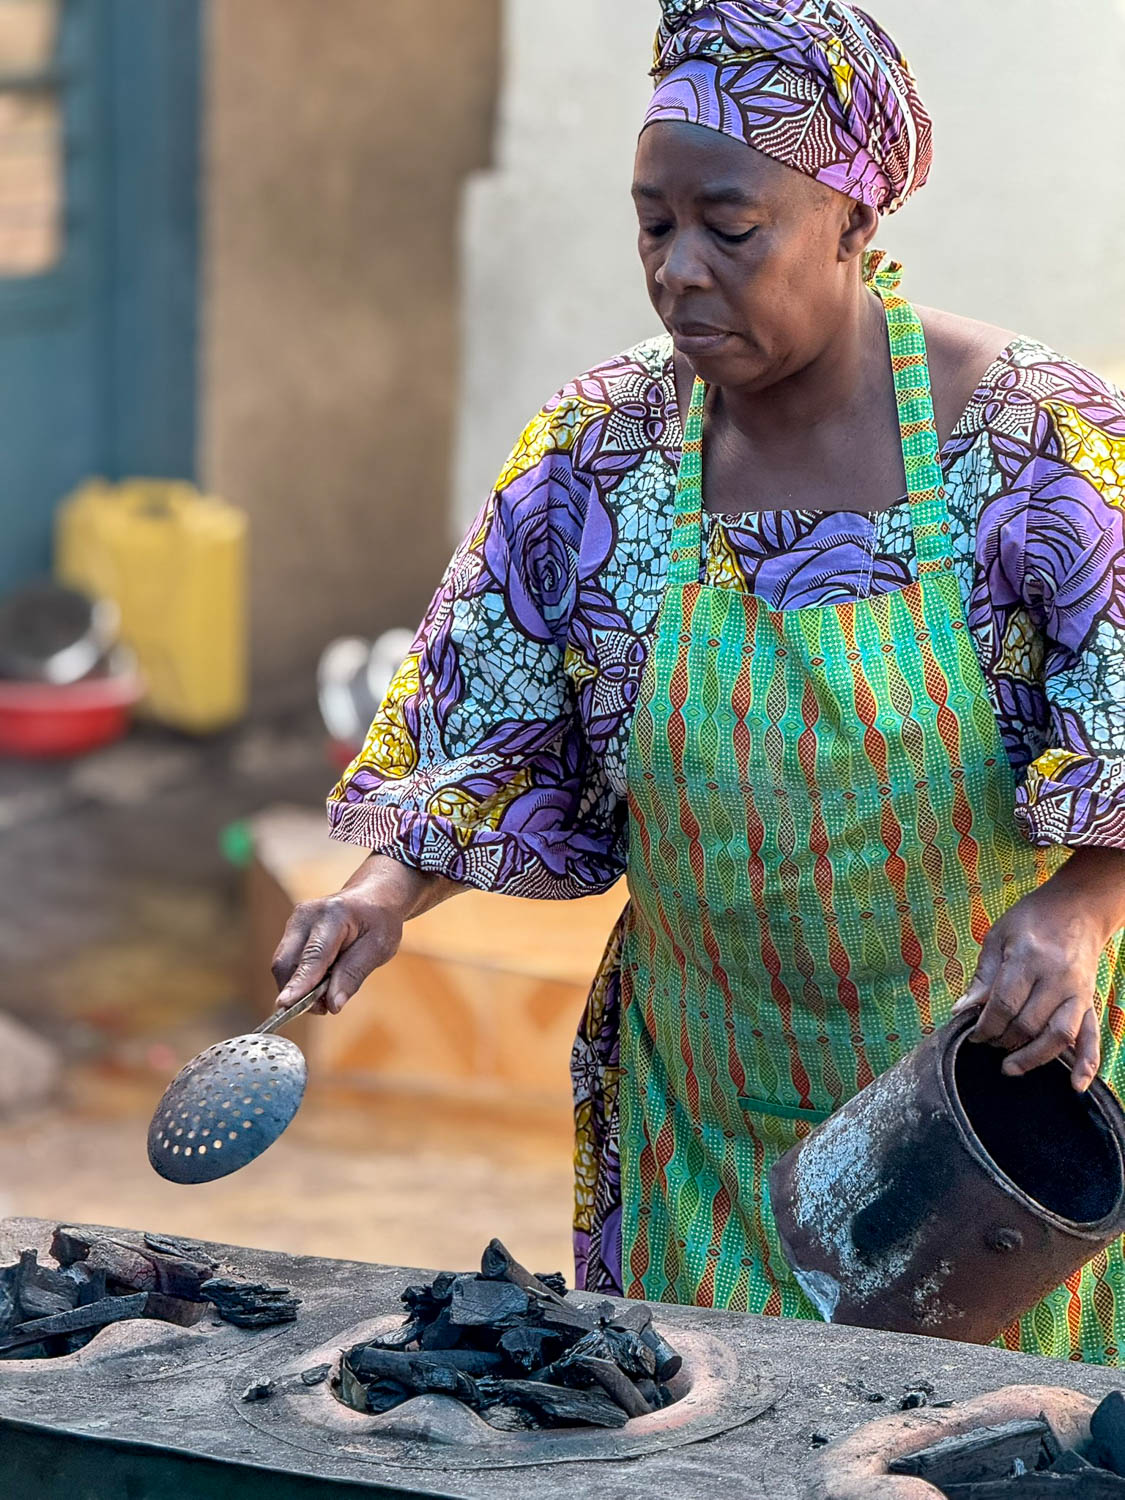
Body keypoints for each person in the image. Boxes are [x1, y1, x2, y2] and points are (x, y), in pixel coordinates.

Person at [272, 0, 1125, 1362]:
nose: (677, 271)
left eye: (729, 228)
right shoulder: (593, 458)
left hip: (982, 1133)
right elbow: (492, 734)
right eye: (650, 225)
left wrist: (1082, 905)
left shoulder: (1032, 449)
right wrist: (383, 889)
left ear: (851, 217)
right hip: (700, 1127)